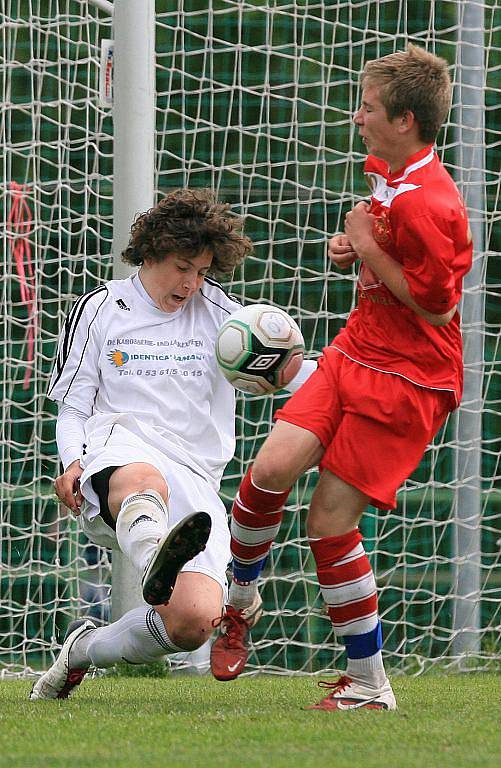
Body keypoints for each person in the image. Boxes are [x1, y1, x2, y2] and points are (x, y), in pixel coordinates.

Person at [209, 44, 473, 711]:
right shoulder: (387, 173)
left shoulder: (429, 202)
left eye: (369, 108)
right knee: (267, 472)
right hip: (356, 350)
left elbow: (436, 304)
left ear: (406, 120)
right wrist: (351, 249)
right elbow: (388, 261)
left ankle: (367, 685)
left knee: (327, 524)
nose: (357, 117)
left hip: (409, 380)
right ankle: (237, 606)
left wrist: (370, 245)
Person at [30, 188, 283, 700]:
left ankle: (81, 652)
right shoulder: (101, 309)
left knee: (191, 621)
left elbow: (283, 368)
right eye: (182, 267)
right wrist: (73, 462)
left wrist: (339, 378)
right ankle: (155, 561)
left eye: (202, 270)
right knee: (145, 478)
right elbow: (75, 407)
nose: (191, 283)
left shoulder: (222, 316)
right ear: (149, 254)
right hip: (119, 448)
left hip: (195, 477)